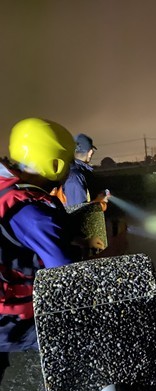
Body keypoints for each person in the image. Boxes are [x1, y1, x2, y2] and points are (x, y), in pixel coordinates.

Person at [0, 118, 104, 370]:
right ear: (55, 164)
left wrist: (80, 243)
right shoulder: (33, 213)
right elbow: (66, 278)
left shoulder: (7, 189)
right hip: (10, 320)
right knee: (88, 340)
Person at [62, 133, 109, 208]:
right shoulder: (76, 176)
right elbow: (77, 212)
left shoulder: (75, 172)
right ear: (90, 152)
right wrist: (99, 201)